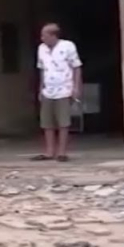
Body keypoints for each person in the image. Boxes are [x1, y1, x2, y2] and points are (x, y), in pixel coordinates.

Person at [33, 23, 82, 162]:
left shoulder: (68, 46)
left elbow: (76, 67)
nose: (42, 38)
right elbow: (41, 69)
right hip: (48, 89)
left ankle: (62, 152)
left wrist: (76, 87)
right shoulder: (41, 49)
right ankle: (49, 152)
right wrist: (40, 88)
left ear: (53, 35)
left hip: (64, 89)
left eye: (45, 35)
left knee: (63, 122)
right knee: (47, 122)